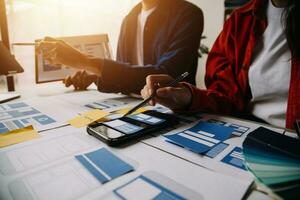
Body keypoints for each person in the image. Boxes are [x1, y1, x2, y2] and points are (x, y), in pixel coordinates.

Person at [141, 0, 300, 129]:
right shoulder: (239, 21)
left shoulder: (187, 13)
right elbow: (227, 99)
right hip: (252, 133)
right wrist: (188, 97)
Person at [37, 0, 203, 94]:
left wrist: (85, 61)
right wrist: (94, 76)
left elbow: (169, 77)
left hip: (175, 112)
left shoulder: (189, 14)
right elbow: (127, 76)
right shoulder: (128, 20)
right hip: (133, 109)